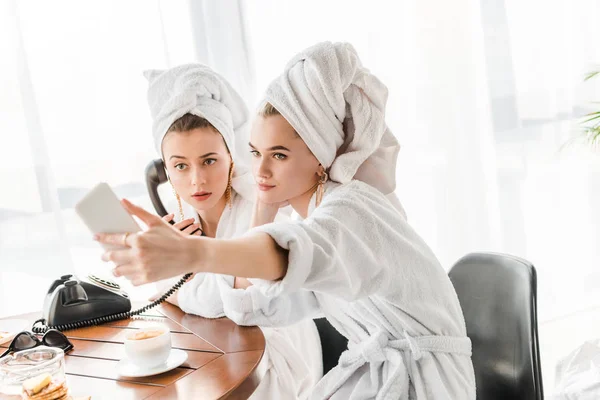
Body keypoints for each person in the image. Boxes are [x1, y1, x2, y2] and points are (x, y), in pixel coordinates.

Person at [98, 43, 476, 399]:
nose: (259, 169)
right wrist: (262, 212)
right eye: (255, 152)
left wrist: (193, 254)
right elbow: (258, 306)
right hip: (378, 374)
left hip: (427, 384)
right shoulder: (312, 212)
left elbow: (293, 253)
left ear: (319, 156)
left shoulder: (351, 210)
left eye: (278, 155)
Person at [141, 64, 322, 399]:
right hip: (213, 349)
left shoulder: (264, 209)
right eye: (180, 165)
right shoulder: (177, 220)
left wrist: (179, 284)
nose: (196, 180)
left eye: (209, 160)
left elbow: (227, 302)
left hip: (275, 356)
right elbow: (166, 286)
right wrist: (175, 274)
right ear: (165, 170)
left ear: (231, 157)